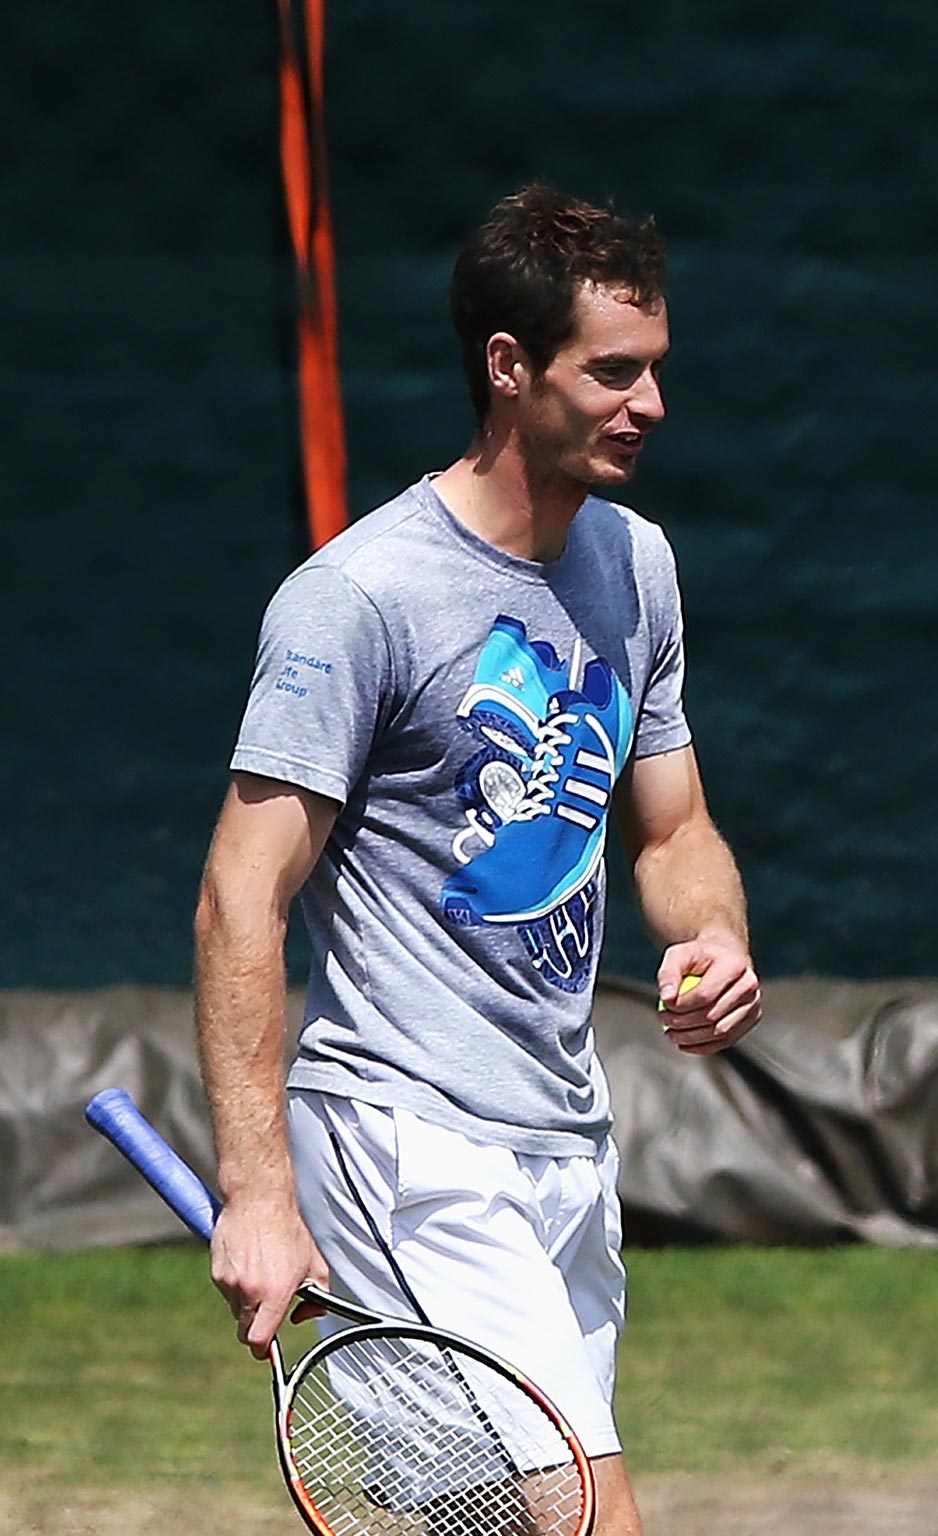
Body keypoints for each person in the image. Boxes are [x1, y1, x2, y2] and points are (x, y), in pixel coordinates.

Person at [193, 183, 762, 1536]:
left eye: (657, 371)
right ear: (509, 369)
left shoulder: (637, 567)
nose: (651, 406)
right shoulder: (360, 599)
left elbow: (675, 831)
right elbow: (240, 896)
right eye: (611, 372)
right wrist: (259, 1195)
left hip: (565, 1145)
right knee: (587, 1520)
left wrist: (712, 939)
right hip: (405, 1143)